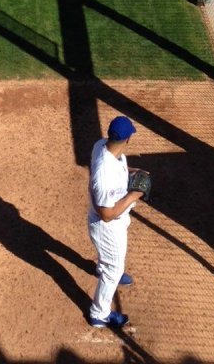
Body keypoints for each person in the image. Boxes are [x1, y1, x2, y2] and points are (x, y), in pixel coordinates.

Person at [87, 116, 144, 329]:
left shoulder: (102, 145)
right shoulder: (103, 174)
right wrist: (133, 195)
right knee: (115, 267)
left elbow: (118, 166)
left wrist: (133, 172)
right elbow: (107, 214)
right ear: (128, 139)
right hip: (107, 226)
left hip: (115, 221)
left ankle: (103, 268)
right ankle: (99, 314)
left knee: (110, 264)